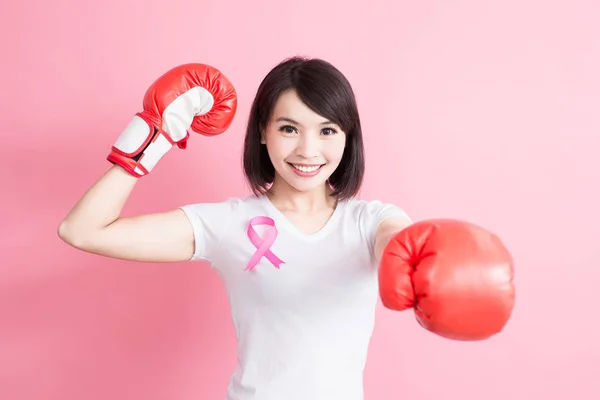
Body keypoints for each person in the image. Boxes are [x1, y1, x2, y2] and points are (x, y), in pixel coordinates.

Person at [58, 57, 515, 400]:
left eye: (328, 130)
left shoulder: (369, 220)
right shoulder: (228, 225)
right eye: (290, 128)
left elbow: (399, 240)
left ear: (348, 137)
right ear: (263, 131)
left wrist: (423, 258)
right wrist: (154, 134)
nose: (308, 149)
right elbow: (83, 231)